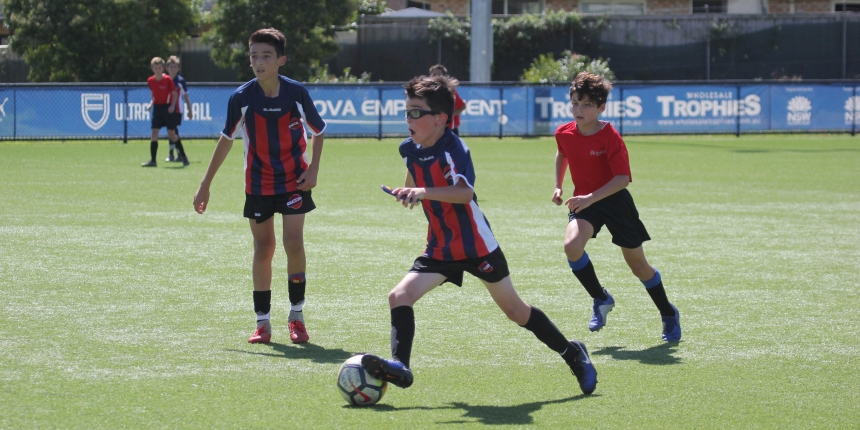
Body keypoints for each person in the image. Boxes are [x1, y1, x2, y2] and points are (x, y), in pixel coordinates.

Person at [359, 75, 597, 396]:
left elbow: (463, 193)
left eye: (416, 113)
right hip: (441, 247)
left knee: (516, 311)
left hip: (477, 246)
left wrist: (421, 191)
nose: (408, 119)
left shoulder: (454, 148)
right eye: (407, 112)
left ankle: (573, 354)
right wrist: (408, 192)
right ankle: (400, 366)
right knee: (399, 297)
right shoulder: (408, 149)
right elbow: (416, 181)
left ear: (441, 119)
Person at [192, 28, 326, 345]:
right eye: (253, 55)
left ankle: (297, 317)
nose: (259, 61)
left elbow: (318, 131)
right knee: (264, 248)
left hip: (295, 181)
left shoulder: (296, 93)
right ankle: (262, 324)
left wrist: (314, 170)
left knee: (294, 243)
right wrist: (205, 184)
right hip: (258, 184)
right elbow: (225, 140)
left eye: (266, 55)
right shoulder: (241, 98)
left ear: (281, 59)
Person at [552, 72, 681, 342]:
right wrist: (558, 185)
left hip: (615, 201)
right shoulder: (564, 133)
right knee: (571, 247)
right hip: (586, 202)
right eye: (575, 103)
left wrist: (588, 198)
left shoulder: (610, 136)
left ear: (601, 107)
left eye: (586, 104)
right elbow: (562, 153)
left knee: (638, 266)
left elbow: (622, 179)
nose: (579, 109)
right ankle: (601, 298)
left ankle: (668, 313)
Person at [142, 57, 180, 167]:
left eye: (159, 67)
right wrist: (151, 104)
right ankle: (153, 160)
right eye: (155, 67)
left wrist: (172, 105)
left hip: (167, 109)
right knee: (154, 133)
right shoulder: (150, 81)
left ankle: (181, 154)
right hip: (157, 109)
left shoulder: (168, 79)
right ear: (152, 68)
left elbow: (175, 94)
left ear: (163, 68)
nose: (157, 70)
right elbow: (154, 95)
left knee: (172, 133)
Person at [165, 56, 192, 166]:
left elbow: (186, 96)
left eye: (175, 67)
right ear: (167, 68)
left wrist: (190, 110)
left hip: (177, 110)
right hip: (166, 109)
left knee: (173, 130)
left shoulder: (180, 81)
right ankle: (174, 153)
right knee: (170, 131)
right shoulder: (164, 79)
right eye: (171, 66)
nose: (173, 68)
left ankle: (177, 153)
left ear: (178, 68)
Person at [428, 64, 466, 135]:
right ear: (430, 76)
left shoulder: (450, 91)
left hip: (449, 129)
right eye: (434, 74)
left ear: (444, 76)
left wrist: (450, 116)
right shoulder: (427, 92)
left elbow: (462, 106)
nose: (436, 76)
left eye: (439, 74)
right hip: (434, 128)